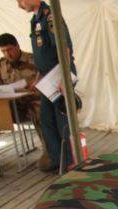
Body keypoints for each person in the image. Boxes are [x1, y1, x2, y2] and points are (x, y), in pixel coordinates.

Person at [17, 0, 77, 172]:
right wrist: (38, 77)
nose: (20, 6)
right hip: (47, 78)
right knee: (46, 119)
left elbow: (63, 48)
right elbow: (42, 54)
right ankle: (56, 158)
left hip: (59, 75)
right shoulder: (36, 19)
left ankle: (71, 161)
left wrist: (64, 78)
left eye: (20, 0)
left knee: (62, 120)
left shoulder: (50, 16)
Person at [0, 33, 50, 169]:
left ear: (17, 46)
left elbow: (44, 81)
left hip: (29, 105)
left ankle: (49, 153)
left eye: (10, 49)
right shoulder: (1, 64)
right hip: (10, 107)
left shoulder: (33, 59)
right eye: (3, 51)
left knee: (40, 109)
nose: (8, 54)